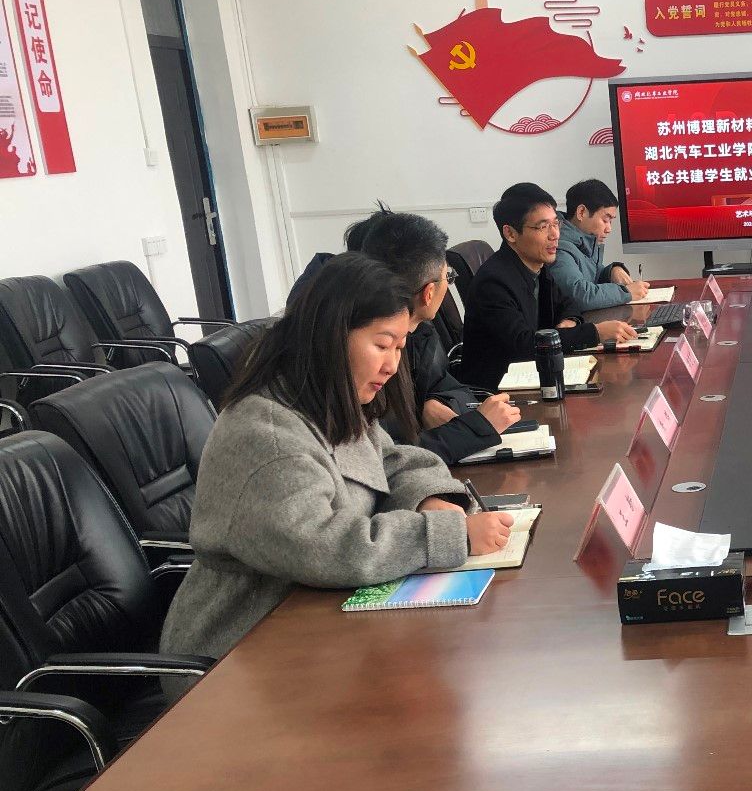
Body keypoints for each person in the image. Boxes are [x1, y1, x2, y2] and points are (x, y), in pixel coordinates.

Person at [160, 253, 513, 660]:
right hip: (245, 646)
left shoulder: (325, 399)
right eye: (382, 345)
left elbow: (393, 460)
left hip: (319, 621)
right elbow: (324, 548)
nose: (392, 365)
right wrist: (451, 535)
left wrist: (430, 499)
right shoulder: (267, 436)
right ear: (331, 336)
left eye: (400, 347)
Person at [353, 209, 523, 462]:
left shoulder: (419, 330)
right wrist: (474, 429)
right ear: (429, 292)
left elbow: (449, 385)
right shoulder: (354, 356)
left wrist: (433, 402)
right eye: (448, 277)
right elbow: (383, 459)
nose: (391, 366)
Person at [457, 182, 637, 390]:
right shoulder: (494, 282)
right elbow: (523, 345)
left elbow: (568, 303)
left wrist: (569, 321)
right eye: (543, 227)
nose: (555, 235)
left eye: (556, 224)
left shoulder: (537, 266)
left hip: (536, 375)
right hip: (499, 391)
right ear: (511, 234)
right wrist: (595, 333)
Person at [547, 178, 649, 313]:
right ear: (581, 212)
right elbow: (579, 296)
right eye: (605, 220)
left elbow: (592, 276)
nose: (609, 229)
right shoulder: (559, 248)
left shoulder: (586, 240)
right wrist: (626, 292)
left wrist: (611, 271)